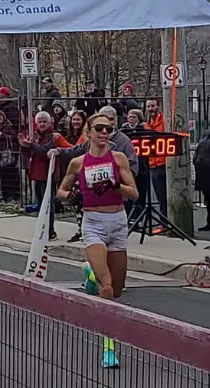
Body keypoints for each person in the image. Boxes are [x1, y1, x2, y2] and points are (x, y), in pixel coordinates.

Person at [56, 113, 139, 369]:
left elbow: (134, 193)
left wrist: (114, 185)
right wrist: (73, 195)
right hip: (92, 223)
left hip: (117, 222)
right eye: (99, 128)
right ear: (89, 133)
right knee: (107, 288)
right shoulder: (79, 163)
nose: (104, 133)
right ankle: (109, 348)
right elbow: (60, 191)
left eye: (109, 129)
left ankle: (90, 275)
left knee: (118, 288)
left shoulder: (118, 159)